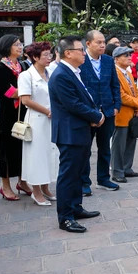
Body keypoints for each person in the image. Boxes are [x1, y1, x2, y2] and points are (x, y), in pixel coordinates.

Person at [49, 36, 103, 233]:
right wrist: (96, 115)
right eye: (80, 50)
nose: (84, 53)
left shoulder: (73, 71)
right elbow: (72, 104)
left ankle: (75, 207)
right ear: (68, 53)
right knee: (68, 175)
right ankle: (65, 217)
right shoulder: (61, 74)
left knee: (78, 172)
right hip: (70, 132)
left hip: (80, 130)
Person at [79, 30, 121, 194]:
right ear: (88, 44)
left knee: (105, 148)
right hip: (88, 113)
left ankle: (103, 179)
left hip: (108, 111)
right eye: (98, 42)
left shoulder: (108, 61)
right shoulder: (80, 61)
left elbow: (114, 85)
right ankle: (84, 183)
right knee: (85, 149)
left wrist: (116, 105)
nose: (103, 45)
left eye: (104, 42)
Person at [18, 42, 58, 205]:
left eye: (50, 54)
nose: (49, 58)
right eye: (46, 55)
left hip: (52, 119)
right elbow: (26, 100)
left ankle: (46, 187)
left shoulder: (51, 72)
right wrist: (47, 111)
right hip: (36, 119)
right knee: (36, 155)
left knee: (50, 152)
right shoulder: (26, 75)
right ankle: (36, 191)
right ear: (35, 57)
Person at [0, 35, 27, 201]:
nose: (20, 47)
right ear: (7, 47)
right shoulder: (1, 68)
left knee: (24, 147)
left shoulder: (22, 65)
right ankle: (5, 186)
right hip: (8, 113)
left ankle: (23, 181)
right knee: (8, 148)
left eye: (20, 44)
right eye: (16, 45)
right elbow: (8, 92)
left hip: (23, 110)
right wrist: (27, 91)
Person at [111, 46, 138, 182]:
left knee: (131, 141)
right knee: (119, 145)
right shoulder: (115, 73)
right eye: (125, 55)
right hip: (121, 114)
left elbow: (135, 90)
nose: (130, 57)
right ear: (116, 59)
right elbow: (121, 96)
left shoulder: (128, 73)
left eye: (130, 55)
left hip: (132, 113)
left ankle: (127, 168)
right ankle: (117, 172)